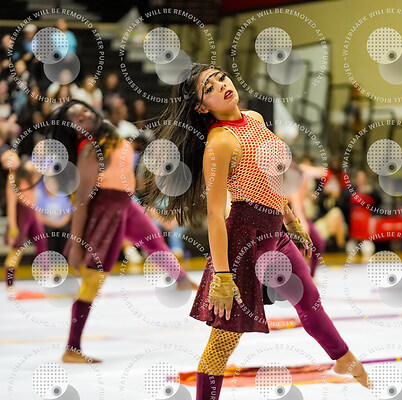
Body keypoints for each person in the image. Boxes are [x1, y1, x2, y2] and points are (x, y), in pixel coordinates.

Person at [143, 64, 369, 399]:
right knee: (221, 346)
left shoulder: (255, 118)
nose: (222, 85)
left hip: (275, 234)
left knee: (310, 301)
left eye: (220, 77)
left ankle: (344, 360)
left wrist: (290, 218)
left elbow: (271, 178)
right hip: (242, 244)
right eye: (209, 88)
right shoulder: (220, 142)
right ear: (201, 107)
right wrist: (223, 276)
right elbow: (215, 214)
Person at [45, 99, 195, 363]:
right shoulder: (90, 149)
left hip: (125, 202)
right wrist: (77, 246)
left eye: (83, 110)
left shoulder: (108, 135)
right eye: (76, 118)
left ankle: (181, 279)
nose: (84, 115)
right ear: (74, 130)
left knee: (154, 242)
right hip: (106, 210)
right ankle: (72, 348)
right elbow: (81, 202)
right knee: (93, 279)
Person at [4, 158, 47, 292]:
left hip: (32, 213)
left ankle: (45, 275)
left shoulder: (32, 176)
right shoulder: (13, 178)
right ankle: (10, 283)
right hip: (20, 214)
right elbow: (11, 205)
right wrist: (13, 226)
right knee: (16, 250)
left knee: (42, 243)